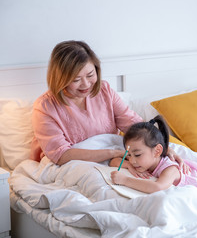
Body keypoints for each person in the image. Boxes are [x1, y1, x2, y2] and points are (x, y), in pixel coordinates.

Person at [30, 40, 186, 176]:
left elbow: (133, 123)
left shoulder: (104, 90)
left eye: (90, 75)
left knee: (175, 165)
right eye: (76, 79)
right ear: (60, 79)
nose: (85, 84)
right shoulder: (45, 107)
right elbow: (61, 155)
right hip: (77, 163)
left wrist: (162, 146)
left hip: (116, 157)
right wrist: (112, 153)